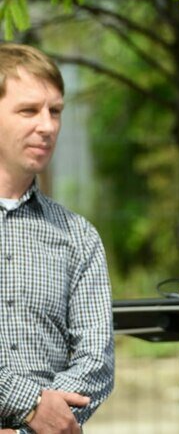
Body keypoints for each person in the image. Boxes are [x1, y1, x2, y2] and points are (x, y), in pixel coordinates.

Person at [0, 43, 114, 434]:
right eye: (28, 110)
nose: (47, 126)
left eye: (56, 111)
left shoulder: (77, 236)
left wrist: (28, 432)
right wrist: (29, 402)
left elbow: (96, 363)